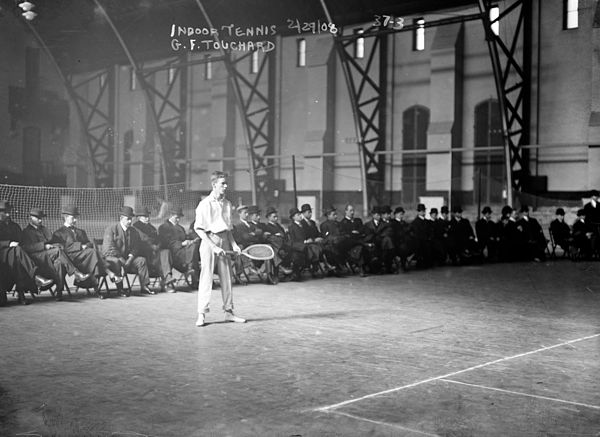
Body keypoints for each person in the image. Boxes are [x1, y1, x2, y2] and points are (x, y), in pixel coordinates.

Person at [194, 171, 246, 327]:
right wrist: (213, 247)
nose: (225, 186)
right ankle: (201, 314)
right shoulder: (204, 204)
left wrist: (234, 244)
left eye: (226, 183)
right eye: (222, 183)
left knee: (227, 278)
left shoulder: (228, 204)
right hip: (209, 241)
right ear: (214, 184)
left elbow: (228, 229)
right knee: (206, 277)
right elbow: (199, 229)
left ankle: (229, 312)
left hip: (224, 240)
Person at [21, 208, 90, 300]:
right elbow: (26, 248)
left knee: (59, 262)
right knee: (58, 251)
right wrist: (44, 246)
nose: (40, 220)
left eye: (41, 218)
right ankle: (75, 272)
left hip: (49, 256)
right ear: (30, 218)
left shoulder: (45, 230)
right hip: (36, 258)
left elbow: (52, 242)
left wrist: (56, 245)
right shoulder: (26, 232)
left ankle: (59, 292)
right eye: (37, 218)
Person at [0, 200, 53, 305]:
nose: (8, 214)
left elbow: (22, 242)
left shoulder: (15, 226)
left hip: (15, 254)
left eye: (9, 212)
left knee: (19, 262)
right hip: (2, 254)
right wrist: (9, 243)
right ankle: (36, 276)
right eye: (5, 212)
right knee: (18, 252)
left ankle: (21, 294)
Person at [52, 205, 110, 293]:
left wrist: (86, 245)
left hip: (84, 258)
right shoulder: (58, 233)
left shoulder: (81, 232)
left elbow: (89, 243)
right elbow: (62, 248)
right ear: (66, 217)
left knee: (93, 255)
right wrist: (80, 246)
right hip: (69, 259)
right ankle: (97, 284)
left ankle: (94, 285)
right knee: (93, 254)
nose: (75, 220)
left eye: (76, 218)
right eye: (73, 218)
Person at [102, 206, 153, 298]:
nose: (130, 221)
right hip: (112, 258)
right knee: (116, 262)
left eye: (131, 219)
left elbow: (136, 247)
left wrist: (130, 258)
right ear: (121, 218)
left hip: (127, 259)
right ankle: (120, 288)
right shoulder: (111, 229)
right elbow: (109, 248)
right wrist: (121, 259)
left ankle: (144, 286)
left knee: (141, 260)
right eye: (128, 219)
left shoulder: (133, 231)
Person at [133, 206, 176, 293]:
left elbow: (158, 239)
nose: (147, 218)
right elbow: (140, 242)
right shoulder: (135, 228)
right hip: (144, 254)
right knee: (162, 257)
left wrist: (158, 245)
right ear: (138, 217)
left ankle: (167, 279)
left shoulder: (151, 228)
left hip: (155, 253)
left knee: (166, 252)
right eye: (144, 216)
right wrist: (151, 246)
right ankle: (166, 282)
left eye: (148, 216)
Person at [159, 207, 200, 287]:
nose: (178, 220)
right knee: (191, 250)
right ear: (170, 215)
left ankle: (193, 273)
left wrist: (191, 240)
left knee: (195, 246)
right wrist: (181, 244)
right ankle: (191, 269)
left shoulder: (181, 228)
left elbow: (185, 238)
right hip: (172, 254)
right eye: (176, 218)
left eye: (179, 218)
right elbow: (166, 243)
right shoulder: (163, 227)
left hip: (183, 253)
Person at [409, 204, 433, 269]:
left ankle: (427, 263)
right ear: (418, 212)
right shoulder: (415, 222)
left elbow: (429, 231)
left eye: (424, 211)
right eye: (421, 211)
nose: (423, 212)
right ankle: (421, 263)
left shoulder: (426, 221)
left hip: (426, 240)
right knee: (421, 248)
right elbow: (416, 233)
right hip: (419, 241)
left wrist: (429, 237)